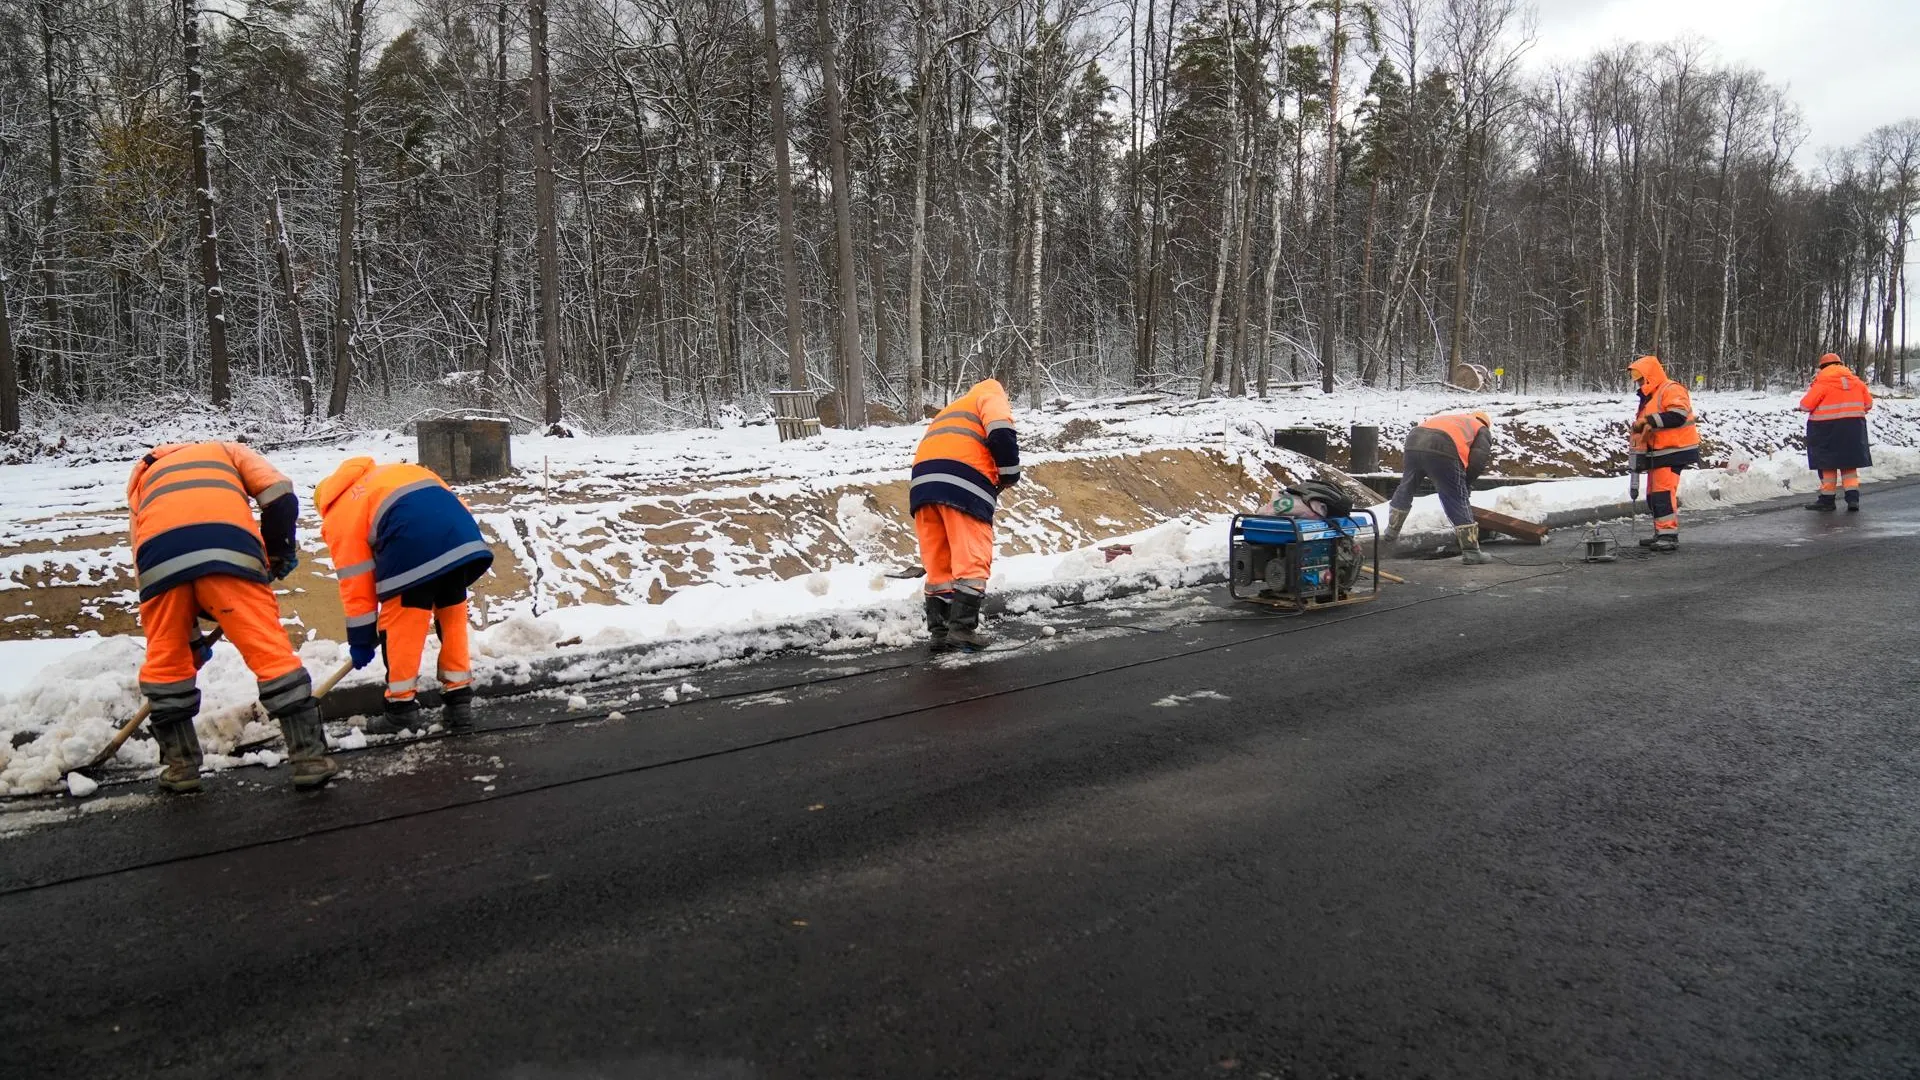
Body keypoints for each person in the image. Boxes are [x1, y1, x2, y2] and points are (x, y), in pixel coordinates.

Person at [127, 441, 335, 792]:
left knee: (166, 660)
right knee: (269, 652)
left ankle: (181, 768)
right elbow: (280, 494)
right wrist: (278, 551)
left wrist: (188, 643)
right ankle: (309, 758)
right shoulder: (227, 450)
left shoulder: (143, 476)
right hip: (231, 550)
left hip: (157, 562)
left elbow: (143, 553)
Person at [314, 458, 494, 732]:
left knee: (402, 623)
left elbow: (356, 582)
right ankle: (459, 702)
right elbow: (449, 507)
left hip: (411, 544)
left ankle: (401, 709)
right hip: (462, 539)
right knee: (452, 615)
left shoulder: (340, 511)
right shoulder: (393, 473)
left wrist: (361, 639)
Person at [910, 378, 1020, 651]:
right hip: (963, 483)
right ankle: (962, 630)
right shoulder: (990, 395)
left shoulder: (953, 408)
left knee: (938, 565)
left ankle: (940, 631)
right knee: (972, 560)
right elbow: (1001, 431)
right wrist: (1009, 475)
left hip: (922, 486)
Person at [1381, 411, 1494, 565]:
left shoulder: (1456, 419)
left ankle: (1391, 532)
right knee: (1456, 497)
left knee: (1406, 487)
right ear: (1487, 423)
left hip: (1414, 440)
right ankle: (1471, 552)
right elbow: (1477, 461)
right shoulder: (1481, 429)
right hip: (1442, 446)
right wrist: (1465, 484)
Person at [1627, 355, 1699, 551]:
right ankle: (1661, 532)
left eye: (1640, 377)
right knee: (1653, 495)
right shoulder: (1650, 395)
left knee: (1662, 493)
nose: (1638, 382)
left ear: (1650, 375)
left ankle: (1668, 535)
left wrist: (1648, 421)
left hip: (1674, 450)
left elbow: (1678, 415)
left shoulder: (1671, 389)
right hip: (1658, 453)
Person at [1797, 352, 1873, 512]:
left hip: (1826, 429)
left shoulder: (1823, 383)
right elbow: (1868, 404)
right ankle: (1853, 500)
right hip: (1853, 428)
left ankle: (1827, 500)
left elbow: (1806, 405)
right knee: (1849, 464)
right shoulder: (1856, 382)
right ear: (1840, 364)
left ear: (1823, 367)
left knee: (1827, 464)